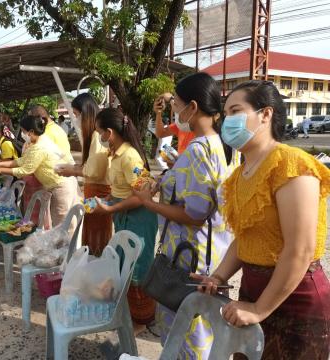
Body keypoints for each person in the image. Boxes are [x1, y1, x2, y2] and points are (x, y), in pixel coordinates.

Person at [195, 80, 330, 359]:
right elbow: (244, 239)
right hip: (252, 292)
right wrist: (219, 276)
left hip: (296, 298)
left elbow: (300, 249)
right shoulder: (238, 177)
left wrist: (260, 308)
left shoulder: (291, 163)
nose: (226, 121)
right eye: (225, 114)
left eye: (235, 111)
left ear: (265, 115)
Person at [134, 73, 238, 358]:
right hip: (209, 255)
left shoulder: (197, 149)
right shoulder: (221, 145)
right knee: (204, 330)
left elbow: (193, 215)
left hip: (187, 258)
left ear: (192, 107)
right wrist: (168, 178)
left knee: (185, 334)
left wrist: (149, 202)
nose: (175, 112)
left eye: (176, 105)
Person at [92, 108, 158, 331]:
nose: (99, 137)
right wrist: (109, 200)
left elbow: (143, 197)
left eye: (99, 132)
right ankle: (131, 312)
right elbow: (121, 187)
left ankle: (143, 319)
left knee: (137, 267)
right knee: (123, 263)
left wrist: (113, 208)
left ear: (109, 132)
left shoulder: (129, 156)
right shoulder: (115, 153)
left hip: (138, 217)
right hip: (124, 214)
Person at [0, 115, 79, 229]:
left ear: (31, 132)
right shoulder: (38, 142)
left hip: (61, 185)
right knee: (62, 223)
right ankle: (64, 245)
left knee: (62, 225)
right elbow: (22, 160)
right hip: (57, 184)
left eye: (23, 131)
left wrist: (0, 169)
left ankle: (66, 246)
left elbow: (24, 170)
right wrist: (0, 164)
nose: (22, 135)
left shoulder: (39, 146)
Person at [55, 93, 111, 255]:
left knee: (97, 238)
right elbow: (91, 166)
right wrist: (74, 168)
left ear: (86, 113)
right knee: (91, 234)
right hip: (94, 192)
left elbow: (95, 171)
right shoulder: (93, 136)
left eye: (77, 114)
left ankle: (95, 269)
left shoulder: (97, 136)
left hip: (99, 193)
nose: (75, 118)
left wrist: (73, 170)